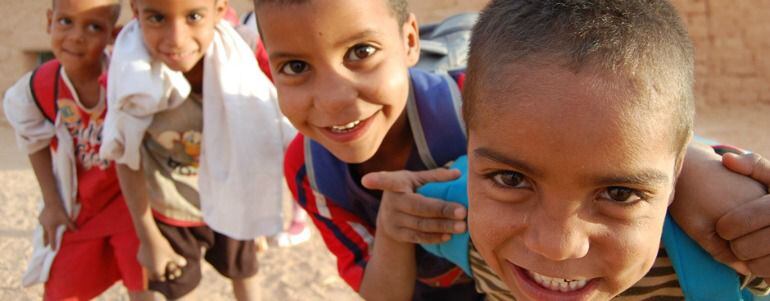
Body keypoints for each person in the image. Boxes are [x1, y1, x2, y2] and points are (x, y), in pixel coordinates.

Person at [254, 0, 767, 299]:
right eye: (510, 180)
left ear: (411, 40)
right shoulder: (308, 171)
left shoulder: (475, 102)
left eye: (361, 52)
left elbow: (631, 129)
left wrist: (705, 172)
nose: (335, 98)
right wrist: (394, 227)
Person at [100, 0, 294, 299]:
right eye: (156, 17)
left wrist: (255, 217)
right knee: (172, 286)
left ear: (218, 10)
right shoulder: (129, 70)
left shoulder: (244, 52)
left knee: (246, 275)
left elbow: (269, 127)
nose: (176, 38)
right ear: (135, 12)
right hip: (170, 208)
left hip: (233, 197)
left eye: (193, 16)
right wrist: (148, 236)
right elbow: (125, 154)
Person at [3, 0, 153, 300]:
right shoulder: (39, 87)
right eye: (65, 22)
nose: (76, 36)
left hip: (130, 202)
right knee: (62, 289)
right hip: (82, 206)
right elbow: (35, 142)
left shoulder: (127, 80)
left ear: (113, 34)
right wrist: (52, 203)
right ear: (49, 21)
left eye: (94, 27)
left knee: (143, 281)